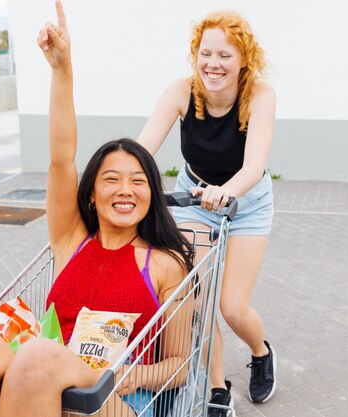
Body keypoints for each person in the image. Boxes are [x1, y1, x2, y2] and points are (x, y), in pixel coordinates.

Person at [0, 2, 194, 417]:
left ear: (151, 194)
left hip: (117, 397)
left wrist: (131, 374)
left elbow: (180, 363)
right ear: (91, 194)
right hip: (40, 380)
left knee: (38, 357)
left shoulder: (164, 265)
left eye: (138, 180)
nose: (125, 189)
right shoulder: (72, 240)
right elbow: (61, 157)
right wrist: (61, 70)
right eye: (111, 179)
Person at [137, 9, 277, 413]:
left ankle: (260, 351)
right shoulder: (182, 91)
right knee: (197, 300)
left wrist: (226, 191)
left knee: (231, 306)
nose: (213, 64)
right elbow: (145, 145)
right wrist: (119, 176)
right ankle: (218, 389)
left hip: (246, 203)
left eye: (225, 55)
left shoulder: (260, 95)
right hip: (194, 201)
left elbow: (253, 166)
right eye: (205, 53)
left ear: (243, 60)